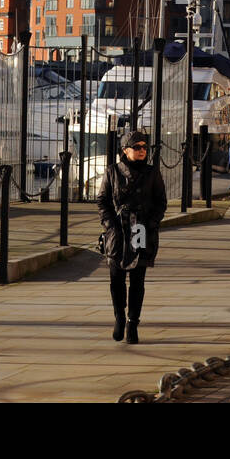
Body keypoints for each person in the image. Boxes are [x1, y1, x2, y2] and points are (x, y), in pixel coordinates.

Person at [97, 131, 167, 344]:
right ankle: (119, 316)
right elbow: (102, 201)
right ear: (125, 150)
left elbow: (160, 201)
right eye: (136, 147)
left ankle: (132, 323)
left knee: (138, 280)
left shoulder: (152, 172)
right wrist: (111, 225)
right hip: (118, 232)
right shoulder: (112, 172)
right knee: (116, 279)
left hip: (141, 230)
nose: (142, 150)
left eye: (144, 147)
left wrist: (152, 223)